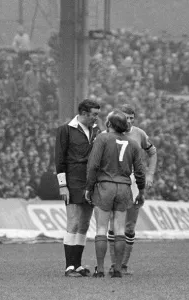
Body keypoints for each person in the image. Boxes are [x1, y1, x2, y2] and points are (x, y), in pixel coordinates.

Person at [85, 109, 146, 278]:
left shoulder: (102, 138)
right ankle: (118, 269)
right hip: (124, 187)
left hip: (105, 186)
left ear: (110, 124)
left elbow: (93, 165)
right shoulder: (133, 144)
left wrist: (89, 187)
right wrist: (141, 191)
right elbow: (140, 171)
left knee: (102, 228)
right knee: (120, 229)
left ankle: (100, 269)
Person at [107, 104, 157, 275]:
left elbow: (153, 152)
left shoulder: (139, 134)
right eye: (125, 117)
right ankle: (114, 265)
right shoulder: (108, 134)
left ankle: (124, 265)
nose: (128, 121)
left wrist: (149, 175)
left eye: (131, 118)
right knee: (114, 224)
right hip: (113, 181)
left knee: (129, 226)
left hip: (135, 183)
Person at [55, 99, 101, 277]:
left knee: (84, 224)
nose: (96, 118)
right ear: (83, 113)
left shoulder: (96, 130)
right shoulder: (65, 130)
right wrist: (62, 185)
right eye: (94, 114)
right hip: (73, 180)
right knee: (73, 222)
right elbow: (59, 159)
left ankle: (78, 265)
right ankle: (69, 267)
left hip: (90, 181)